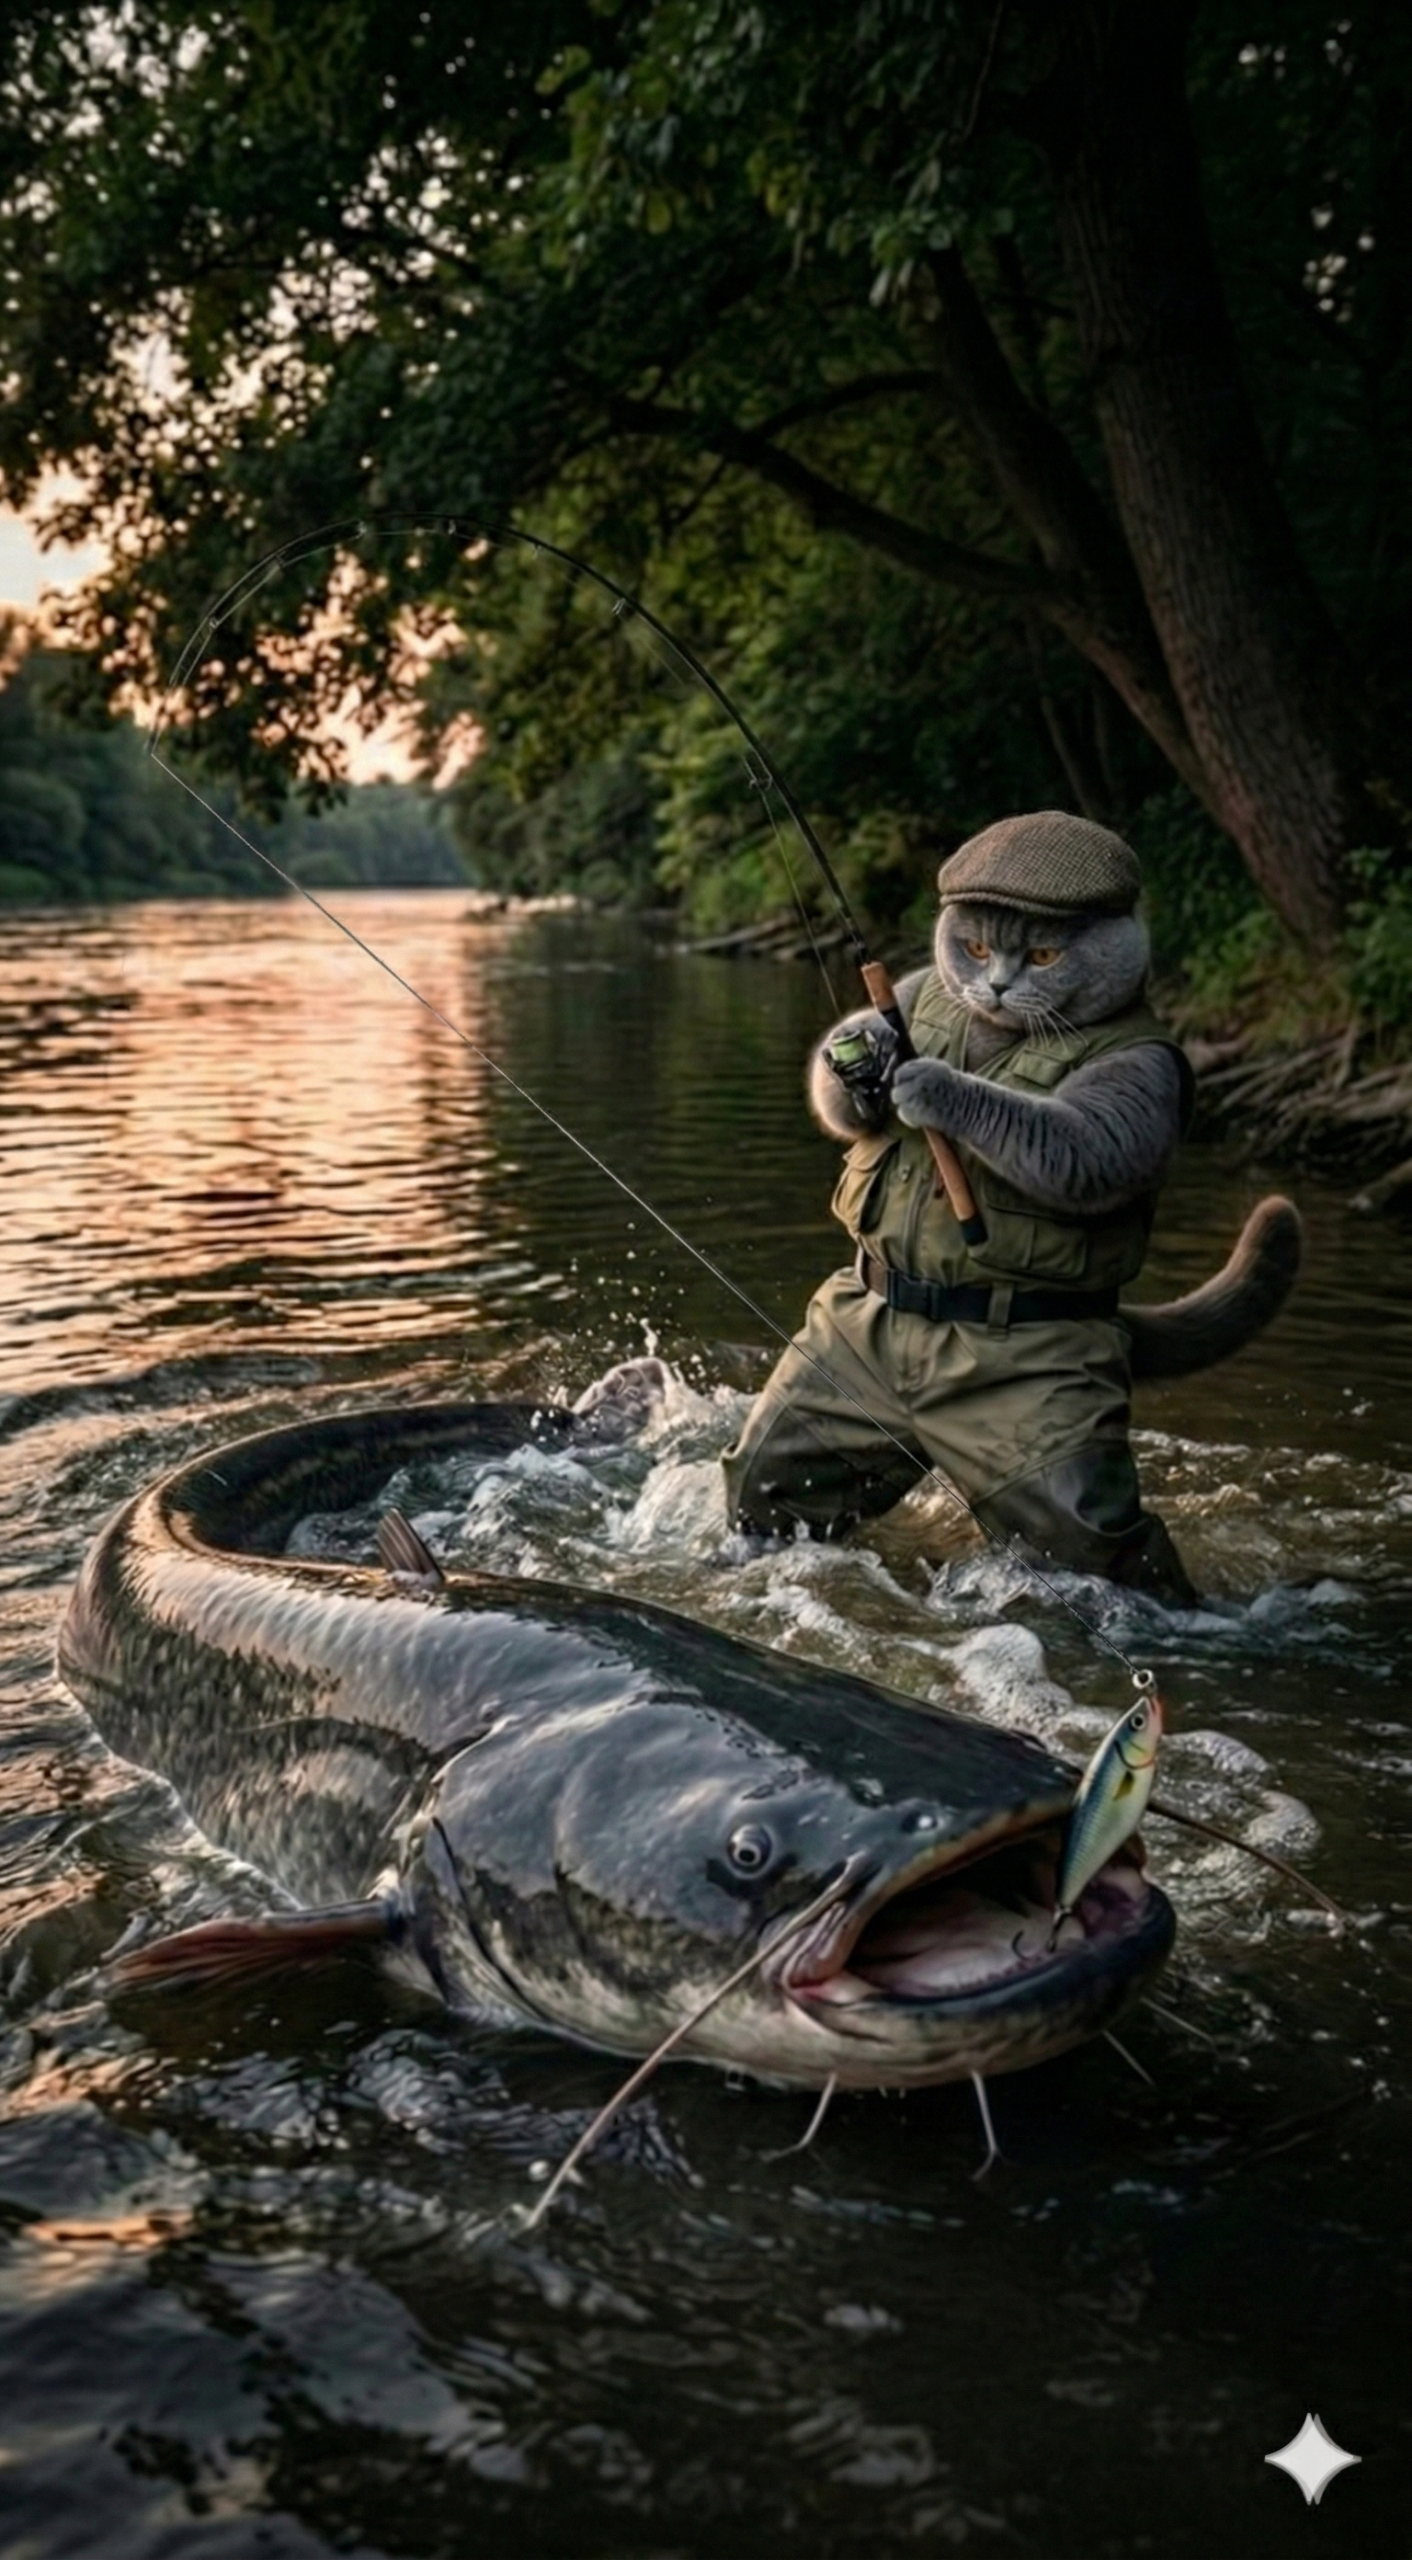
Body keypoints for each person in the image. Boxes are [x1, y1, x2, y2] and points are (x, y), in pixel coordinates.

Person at [721, 810, 1203, 1605]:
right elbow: (841, 1100)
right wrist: (849, 1084)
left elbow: (1092, 1162)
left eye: (1040, 955)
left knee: (1104, 1600)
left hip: (1027, 1355)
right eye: (977, 948)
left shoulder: (1137, 1059)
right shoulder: (918, 998)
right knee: (758, 1518)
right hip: (864, 1326)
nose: (1000, 980)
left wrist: (961, 1104)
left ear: (1114, 939)